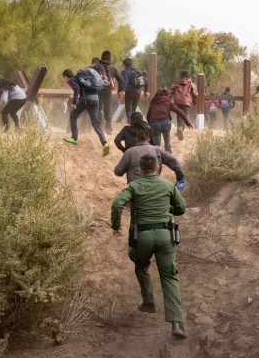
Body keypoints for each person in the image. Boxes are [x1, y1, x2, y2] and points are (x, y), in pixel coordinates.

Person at [111, 154, 188, 339]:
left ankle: (149, 302)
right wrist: (166, 209)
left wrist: (116, 226)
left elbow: (117, 204)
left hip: (142, 237)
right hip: (165, 236)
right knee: (169, 276)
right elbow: (181, 209)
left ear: (140, 169)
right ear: (157, 167)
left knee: (141, 265)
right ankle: (177, 324)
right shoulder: (168, 185)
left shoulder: (134, 186)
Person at [114, 126, 185, 189]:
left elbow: (118, 171)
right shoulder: (157, 150)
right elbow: (174, 161)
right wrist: (180, 178)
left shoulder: (129, 152)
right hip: (155, 187)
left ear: (136, 139)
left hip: (135, 189)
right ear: (148, 139)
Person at [62, 68, 110, 156]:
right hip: (96, 98)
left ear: (65, 77)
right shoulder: (82, 78)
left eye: (64, 78)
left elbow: (76, 89)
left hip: (86, 99)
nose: (64, 80)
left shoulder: (71, 80)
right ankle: (104, 143)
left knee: (73, 115)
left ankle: (74, 138)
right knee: (95, 122)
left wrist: (74, 103)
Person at [147, 88, 192, 153]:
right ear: (166, 95)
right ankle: (168, 153)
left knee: (157, 145)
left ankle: (158, 158)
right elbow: (180, 112)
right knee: (167, 141)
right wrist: (187, 123)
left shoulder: (153, 102)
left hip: (155, 124)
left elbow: (149, 115)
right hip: (166, 123)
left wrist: (149, 124)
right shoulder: (168, 102)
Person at [97, 51, 125, 135]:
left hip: (98, 91)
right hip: (108, 91)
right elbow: (121, 80)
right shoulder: (113, 68)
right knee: (107, 109)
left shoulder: (96, 67)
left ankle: (100, 125)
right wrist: (120, 91)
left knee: (98, 109)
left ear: (101, 57)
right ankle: (108, 127)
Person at [170, 70, 198, 141]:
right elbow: (195, 94)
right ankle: (181, 128)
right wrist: (194, 102)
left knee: (179, 115)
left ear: (181, 75)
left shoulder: (176, 83)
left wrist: (168, 99)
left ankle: (179, 128)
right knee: (184, 116)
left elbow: (171, 92)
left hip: (177, 102)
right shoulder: (191, 83)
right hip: (186, 102)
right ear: (188, 75)